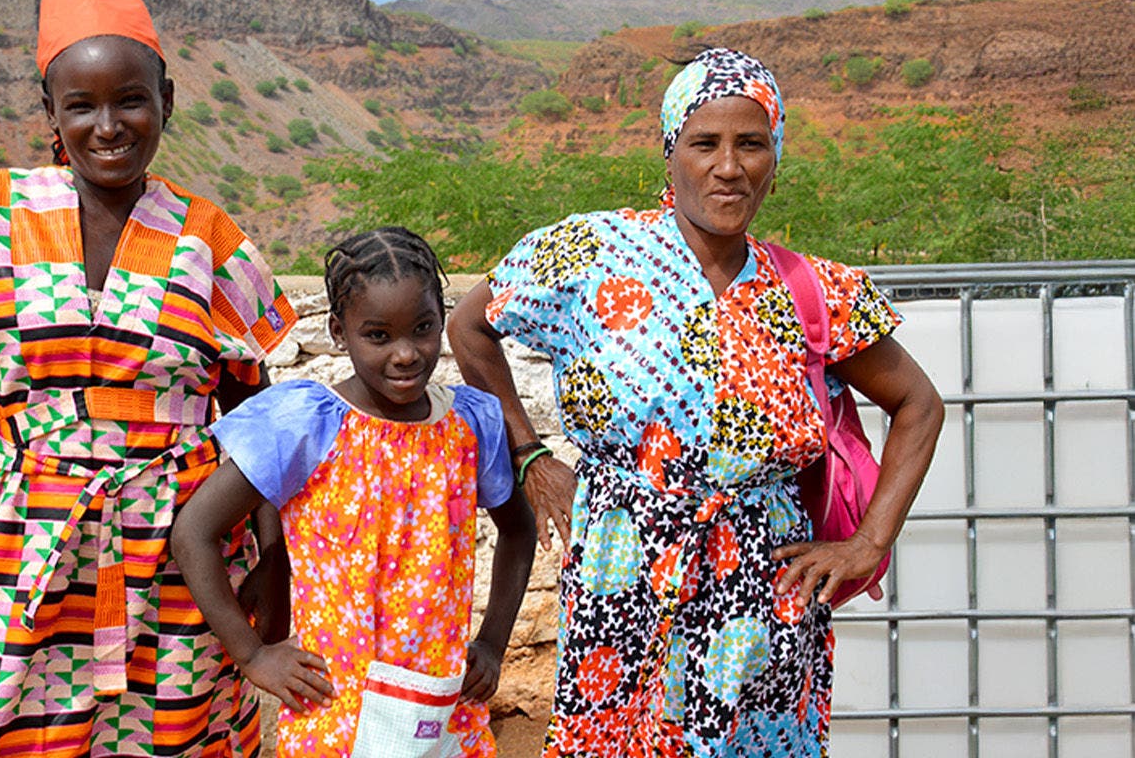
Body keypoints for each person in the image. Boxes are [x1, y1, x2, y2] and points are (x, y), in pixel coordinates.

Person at [445, 47, 945, 755]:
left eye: (752, 144)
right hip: (620, 578)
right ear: (670, 152)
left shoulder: (813, 292)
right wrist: (529, 456)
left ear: (776, 158)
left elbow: (920, 405)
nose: (728, 166)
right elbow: (470, 328)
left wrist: (870, 542)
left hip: (763, 594)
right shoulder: (590, 255)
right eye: (705, 143)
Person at [0, 0, 298, 757]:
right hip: (26, 542)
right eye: (81, 106)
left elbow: (256, 413)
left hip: (182, 552)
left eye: (130, 101)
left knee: (179, 733)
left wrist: (273, 562)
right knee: (5, 729)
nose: (108, 126)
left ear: (165, 101)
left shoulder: (209, 240)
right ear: (51, 113)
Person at [173, 226, 538, 757]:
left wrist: (493, 641)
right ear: (338, 332)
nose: (406, 353)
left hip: (441, 700)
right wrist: (252, 655)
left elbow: (519, 529)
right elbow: (193, 532)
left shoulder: (469, 423)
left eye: (423, 328)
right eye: (378, 335)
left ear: (441, 319)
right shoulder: (307, 422)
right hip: (335, 704)